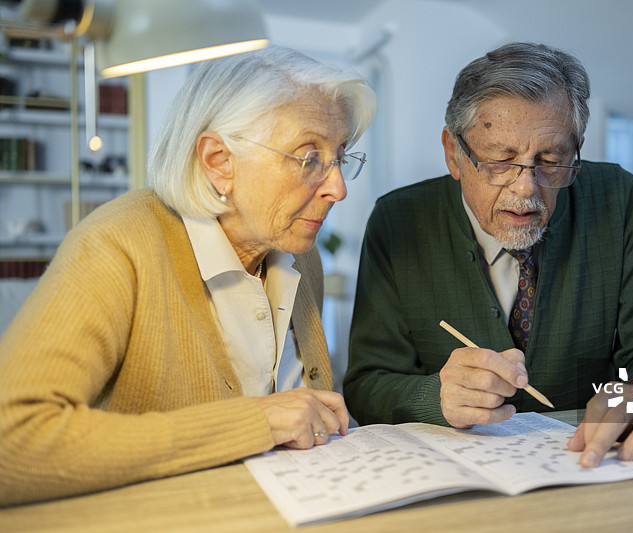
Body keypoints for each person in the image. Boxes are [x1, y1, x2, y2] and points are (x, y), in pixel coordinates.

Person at [0, 46, 376, 506]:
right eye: (308, 158)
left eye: (340, 157)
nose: (338, 188)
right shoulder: (115, 245)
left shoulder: (300, 253)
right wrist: (255, 422)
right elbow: (12, 442)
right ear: (219, 161)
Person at [344, 42, 633, 468]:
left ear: (576, 151)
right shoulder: (397, 221)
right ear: (453, 153)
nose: (526, 188)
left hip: (595, 464)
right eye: (500, 160)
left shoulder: (617, 199)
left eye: (551, 160)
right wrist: (435, 396)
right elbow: (367, 384)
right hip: (457, 476)